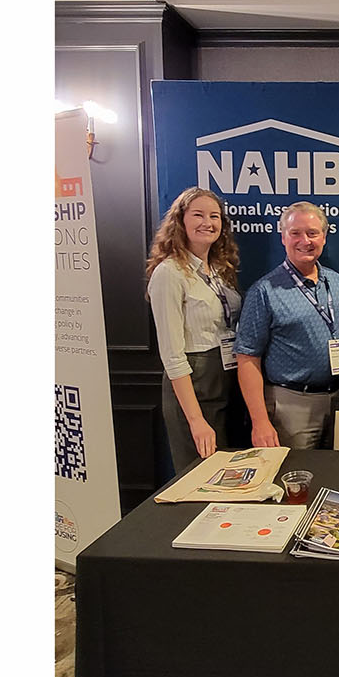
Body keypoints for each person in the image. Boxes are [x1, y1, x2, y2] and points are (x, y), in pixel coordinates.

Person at [235, 201, 339, 449]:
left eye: (312, 233)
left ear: (324, 236)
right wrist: (260, 422)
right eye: (295, 233)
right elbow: (247, 359)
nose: (304, 241)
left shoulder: (338, 283)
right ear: (283, 237)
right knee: (293, 480)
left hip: (338, 401)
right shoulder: (264, 291)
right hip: (291, 406)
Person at [144, 186, 243, 476]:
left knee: (228, 473)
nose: (208, 223)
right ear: (181, 220)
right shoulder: (170, 273)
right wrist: (196, 420)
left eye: (215, 216)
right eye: (198, 214)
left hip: (224, 377)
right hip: (193, 385)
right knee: (200, 475)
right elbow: (173, 356)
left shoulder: (219, 269)